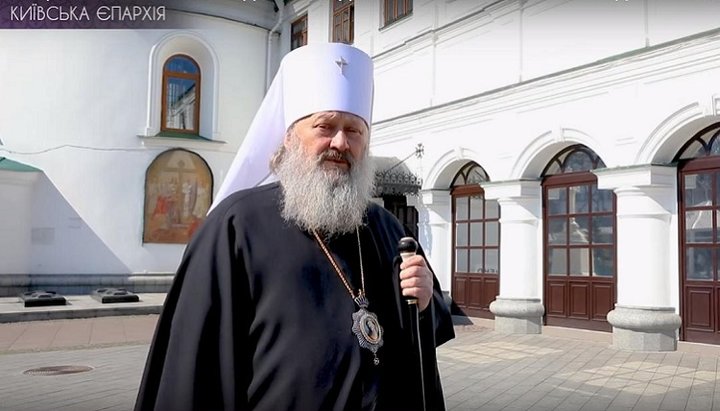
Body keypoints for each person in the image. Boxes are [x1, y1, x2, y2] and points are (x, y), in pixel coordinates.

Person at [135, 42, 454, 411]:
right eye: (325, 126)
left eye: (354, 130)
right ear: (289, 137)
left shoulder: (387, 228)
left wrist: (428, 301)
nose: (340, 142)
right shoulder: (235, 227)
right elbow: (193, 371)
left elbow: (425, 335)